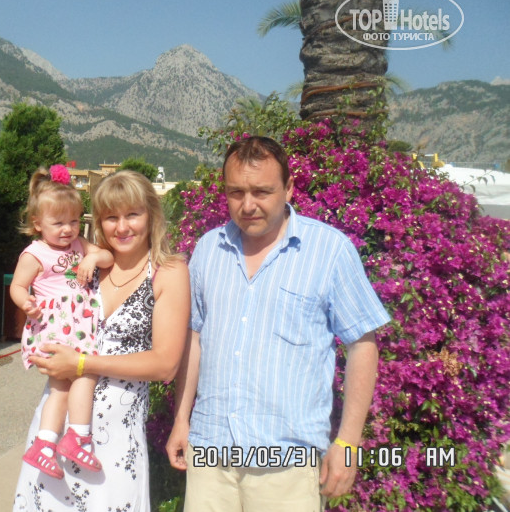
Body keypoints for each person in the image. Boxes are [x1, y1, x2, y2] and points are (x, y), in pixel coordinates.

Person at [165, 136, 390, 512]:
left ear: (288, 188)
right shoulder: (208, 250)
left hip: (288, 463)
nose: (248, 205)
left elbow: (362, 345)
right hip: (210, 453)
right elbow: (195, 341)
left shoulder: (329, 250)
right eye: (236, 192)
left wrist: (348, 442)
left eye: (262, 191)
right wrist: (181, 420)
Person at [12, 169, 190, 511]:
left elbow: (165, 364)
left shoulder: (168, 272)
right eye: (111, 217)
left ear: (151, 215)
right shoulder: (82, 262)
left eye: (132, 214)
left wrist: (81, 363)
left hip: (114, 442)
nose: (122, 227)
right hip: (54, 433)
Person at [10, 165, 114, 479]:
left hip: (78, 324)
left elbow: (108, 257)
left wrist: (92, 257)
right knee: (77, 378)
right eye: (58, 223)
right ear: (37, 223)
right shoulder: (35, 254)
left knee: (69, 385)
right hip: (55, 325)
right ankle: (75, 437)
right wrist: (25, 302)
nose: (68, 229)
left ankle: (46, 444)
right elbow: (17, 286)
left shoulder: (79, 245)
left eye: (74, 221)